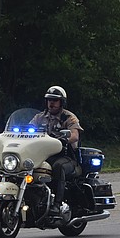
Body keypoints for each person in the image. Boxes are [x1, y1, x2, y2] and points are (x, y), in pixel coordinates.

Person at [30, 86, 83, 216]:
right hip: (43, 156)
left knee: (58, 167)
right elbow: (27, 130)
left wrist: (64, 139)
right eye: (49, 100)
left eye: (55, 100)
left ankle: (56, 205)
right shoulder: (39, 117)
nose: (51, 103)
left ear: (61, 102)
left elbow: (75, 135)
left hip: (66, 156)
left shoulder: (68, 117)